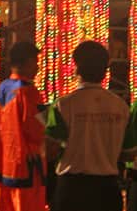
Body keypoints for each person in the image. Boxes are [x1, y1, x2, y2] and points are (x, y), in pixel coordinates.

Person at [45, 40, 137, 211]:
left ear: (77, 68)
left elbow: (51, 149)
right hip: (107, 191)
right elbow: (129, 153)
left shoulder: (62, 105)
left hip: (71, 190)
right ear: (104, 72)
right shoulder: (121, 107)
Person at [0, 41, 45, 211]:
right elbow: (37, 130)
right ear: (29, 61)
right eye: (36, 62)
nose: (38, 67)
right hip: (25, 167)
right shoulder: (29, 92)